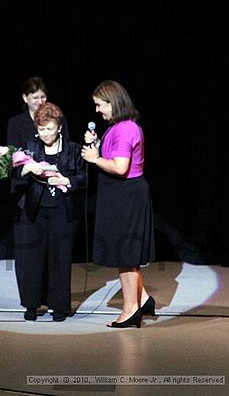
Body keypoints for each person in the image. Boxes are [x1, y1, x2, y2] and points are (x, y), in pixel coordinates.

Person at [81, 80, 155, 328]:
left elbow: (120, 167)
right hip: (121, 195)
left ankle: (131, 309)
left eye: (100, 105)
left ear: (113, 102)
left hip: (126, 196)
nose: (97, 110)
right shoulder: (118, 126)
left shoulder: (125, 129)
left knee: (126, 255)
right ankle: (142, 299)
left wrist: (95, 158)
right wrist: (97, 145)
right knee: (127, 255)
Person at [13, 102, 85, 322]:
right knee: (32, 259)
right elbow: (15, 173)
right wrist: (27, 168)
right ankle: (32, 305)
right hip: (35, 211)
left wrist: (67, 180)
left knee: (59, 259)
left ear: (59, 127)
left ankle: (59, 306)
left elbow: (83, 178)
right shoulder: (30, 148)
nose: (45, 134)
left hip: (62, 211)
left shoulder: (72, 149)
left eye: (49, 129)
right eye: (41, 129)